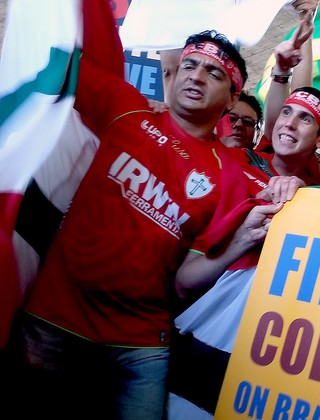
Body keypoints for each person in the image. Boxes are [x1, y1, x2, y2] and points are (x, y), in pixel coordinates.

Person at [9, 15, 250, 419]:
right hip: (52, 320)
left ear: (230, 98)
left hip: (139, 347)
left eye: (213, 73)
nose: (196, 76)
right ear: (172, 75)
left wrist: (268, 210)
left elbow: (185, 280)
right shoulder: (126, 109)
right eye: (189, 65)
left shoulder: (229, 176)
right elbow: (57, 58)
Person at [166, 84, 320, 419]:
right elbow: (184, 280)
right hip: (193, 333)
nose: (290, 123)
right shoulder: (234, 161)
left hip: (265, 360)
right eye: (286, 113)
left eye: (305, 119)